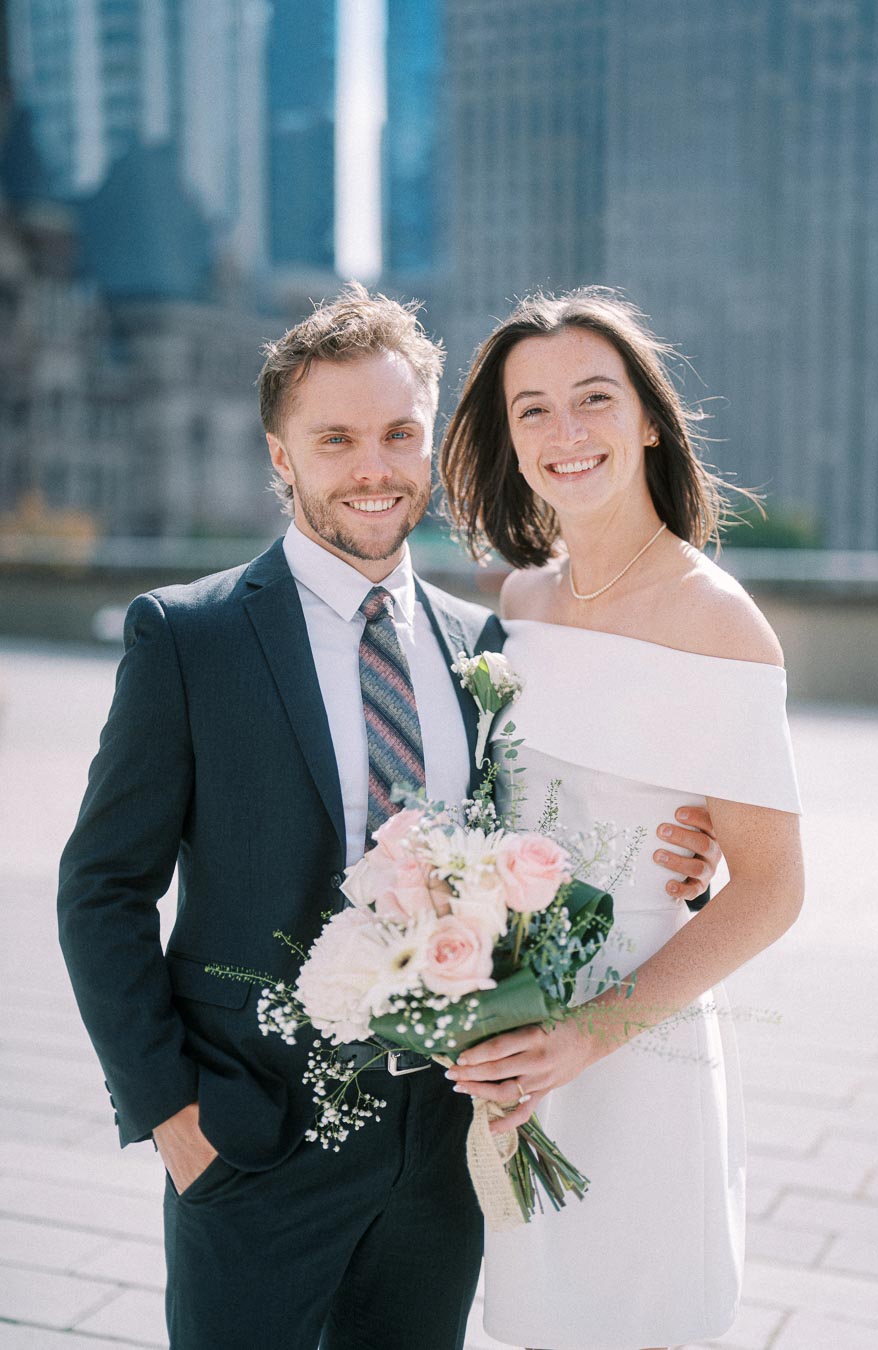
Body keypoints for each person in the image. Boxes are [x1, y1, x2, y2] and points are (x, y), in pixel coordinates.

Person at [58, 285, 724, 1350]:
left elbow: (564, 826)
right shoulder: (189, 640)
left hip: (445, 1151)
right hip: (251, 1142)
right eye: (335, 438)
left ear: (429, 444)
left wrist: (678, 866)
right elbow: (101, 887)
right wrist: (174, 1118)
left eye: (398, 434)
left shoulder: (495, 646)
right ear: (282, 455)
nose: (373, 467)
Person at [440, 287, 804, 1350]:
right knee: (538, 1313)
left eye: (594, 399)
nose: (567, 434)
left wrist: (582, 1040)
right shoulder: (516, 602)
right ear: (509, 440)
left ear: (648, 418)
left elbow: (774, 891)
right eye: (533, 410)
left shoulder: (715, 620)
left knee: (637, 1309)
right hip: (514, 1029)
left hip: (640, 1040)